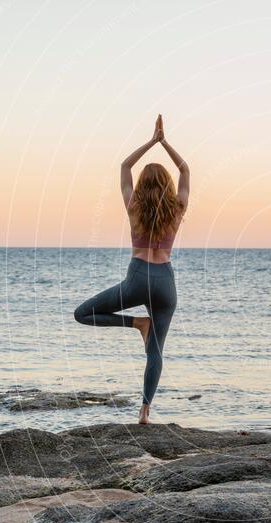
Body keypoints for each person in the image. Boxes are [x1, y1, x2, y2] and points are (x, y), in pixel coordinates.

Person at [74, 114, 189, 424]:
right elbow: (185, 169)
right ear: (166, 185)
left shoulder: (134, 205)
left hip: (138, 277)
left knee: (82, 313)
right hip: (166, 282)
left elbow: (125, 166)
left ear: (142, 185)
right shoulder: (177, 209)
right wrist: (165, 144)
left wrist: (151, 141)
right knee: (156, 352)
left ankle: (137, 323)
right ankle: (145, 410)